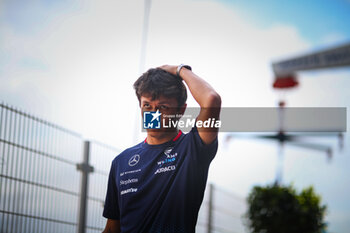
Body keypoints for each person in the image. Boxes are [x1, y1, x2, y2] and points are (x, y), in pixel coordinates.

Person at [102, 64, 221, 233]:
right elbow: (112, 228)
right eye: (147, 106)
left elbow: (211, 99)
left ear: (181, 110)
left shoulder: (193, 147)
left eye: (163, 107)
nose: (153, 115)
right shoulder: (120, 162)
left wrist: (179, 70)